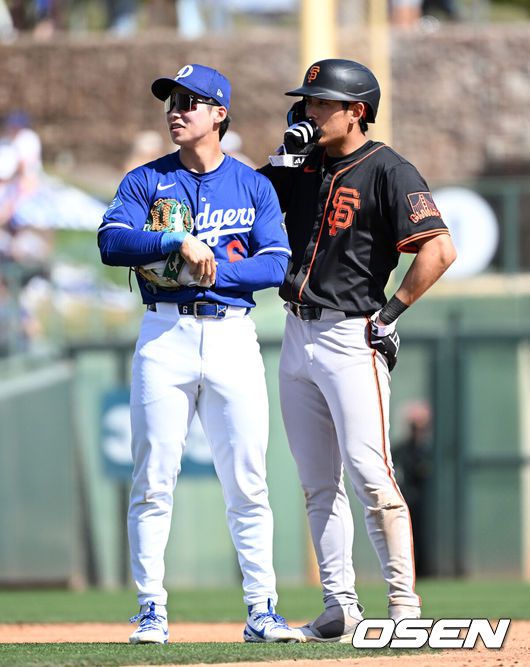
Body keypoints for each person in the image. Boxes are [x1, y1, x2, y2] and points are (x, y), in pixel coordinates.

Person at [97, 63, 303, 645]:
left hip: (233, 334)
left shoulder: (253, 185)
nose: (176, 111)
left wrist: (211, 270)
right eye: (172, 101)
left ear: (219, 114)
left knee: (248, 482)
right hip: (165, 336)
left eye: (190, 102)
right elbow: (111, 241)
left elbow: (276, 263)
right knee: (152, 479)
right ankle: (150, 609)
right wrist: (173, 241)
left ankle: (262, 609)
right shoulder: (145, 180)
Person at [259, 58, 457, 642]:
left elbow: (439, 250)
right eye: (308, 100)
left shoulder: (389, 169)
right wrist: (281, 159)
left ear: (356, 111)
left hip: (351, 335)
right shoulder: (302, 164)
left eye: (322, 102)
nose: (310, 110)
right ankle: (339, 606)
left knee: (371, 475)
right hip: (296, 331)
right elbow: (252, 204)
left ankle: (404, 610)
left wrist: (391, 314)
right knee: (318, 483)